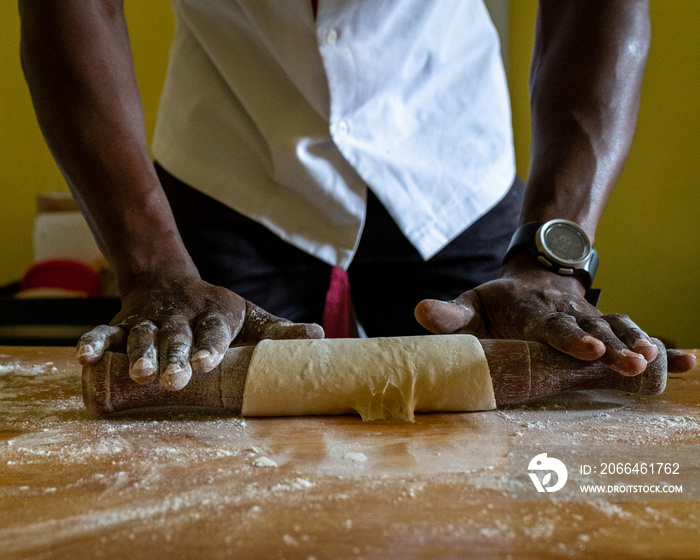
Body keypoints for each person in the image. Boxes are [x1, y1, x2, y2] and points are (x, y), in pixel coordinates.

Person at [18, 0, 695, 391]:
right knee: (196, 429)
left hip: (450, 158)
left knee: (511, 430)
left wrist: (553, 263)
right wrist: (153, 267)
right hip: (231, 154)